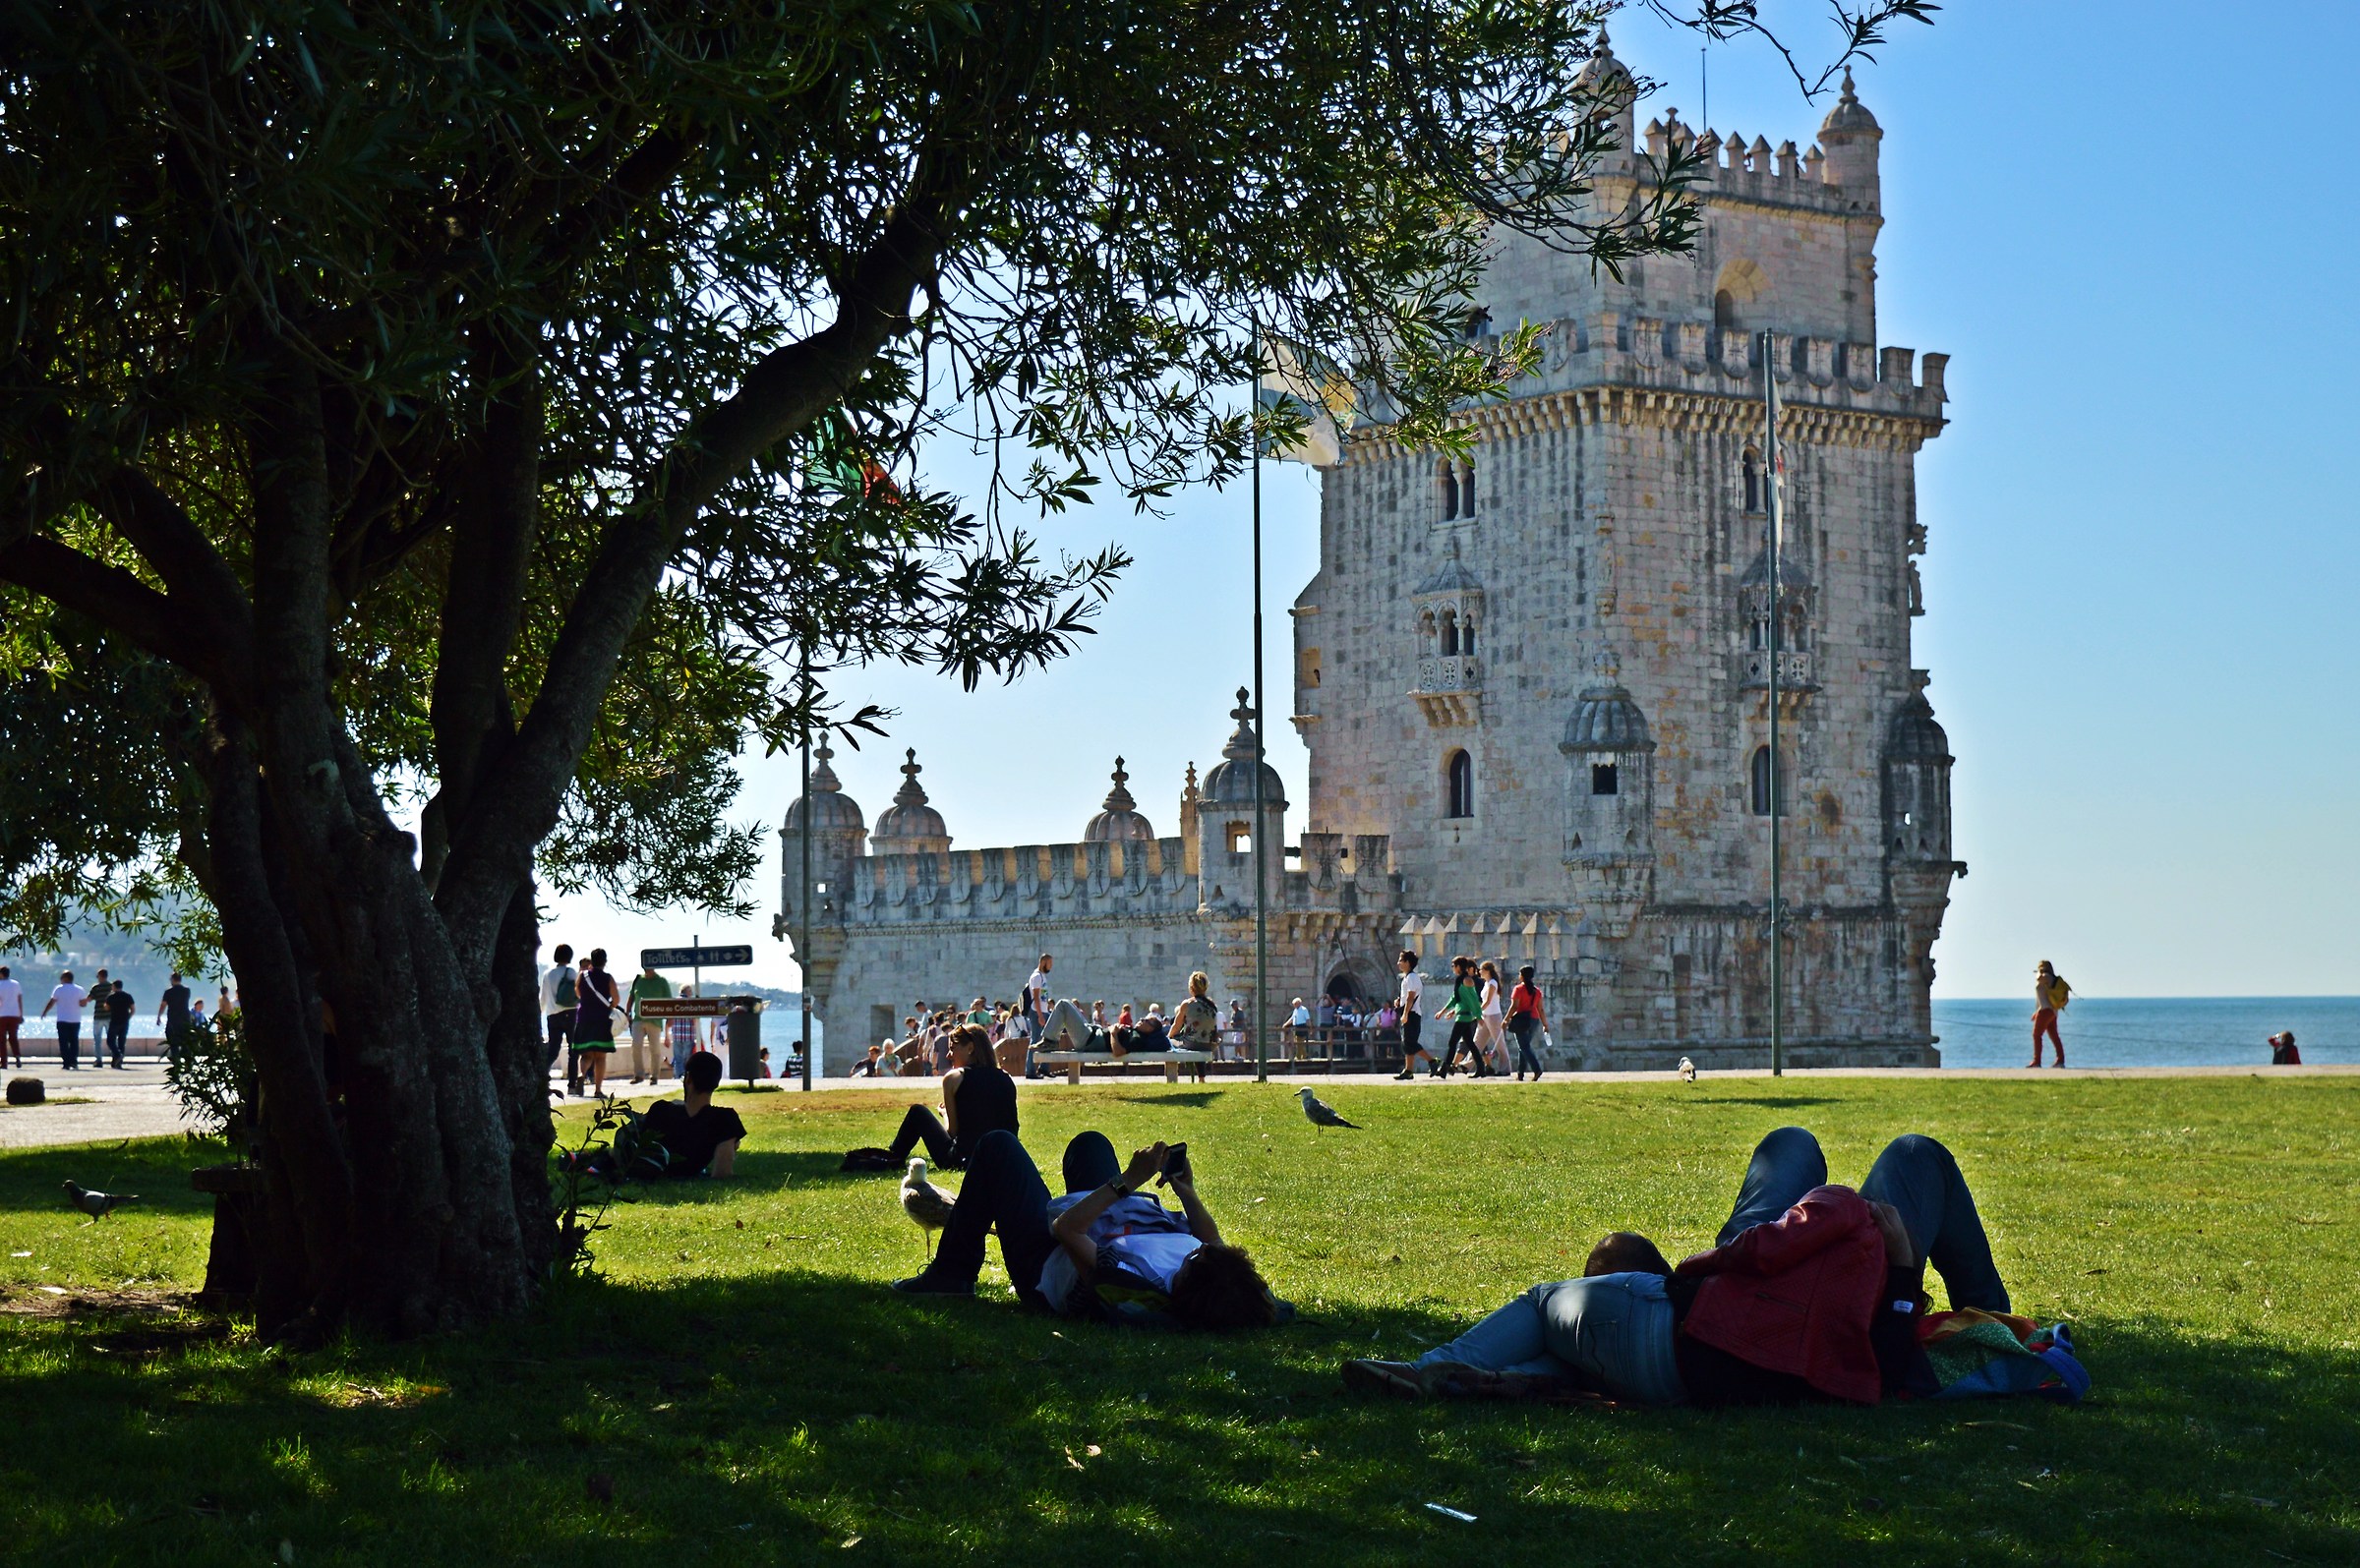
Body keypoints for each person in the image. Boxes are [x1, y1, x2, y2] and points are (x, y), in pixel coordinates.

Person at [1347, 1127, 2015, 1408]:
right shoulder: (1846, 1215)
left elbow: (1758, 1252)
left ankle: (1442, 1370)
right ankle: (1997, 1317)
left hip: (1724, 1331)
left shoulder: (1628, 1346)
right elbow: (1887, 1369)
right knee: (1900, 1152)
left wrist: (1707, 1269)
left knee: (1794, 1150)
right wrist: (1898, 1269)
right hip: (1794, 1308)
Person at [892, 1131, 1280, 1332]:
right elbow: (1211, 1241)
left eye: (1195, 1258)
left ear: (1186, 1285)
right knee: (1090, 1144)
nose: (1200, 1249)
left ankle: (952, 1274)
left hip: (1049, 1259)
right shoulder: (1215, 1272)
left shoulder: (1134, 1283)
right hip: (1119, 1222)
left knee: (998, 1146)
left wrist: (1128, 1180)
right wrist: (1187, 1192)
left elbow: (1067, 1229)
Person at [569, 1049, 746, 1180]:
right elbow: (722, 1173)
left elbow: (638, 1151)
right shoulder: (724, 1119)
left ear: (688, 1079)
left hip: (648, 1169)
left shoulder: (662, 1110)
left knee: (625, 1139)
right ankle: (588, 1159)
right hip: (684, 1170)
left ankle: (586, 1160)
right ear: (715, 1083)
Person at [884, 1023, 1019, 1169]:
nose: (948, 1055)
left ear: (970, 1048)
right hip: (1003, 1158)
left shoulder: (954, 1078)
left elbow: (952, 1132)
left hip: (963, 1159)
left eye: (952, 1049)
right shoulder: (1005, 1077)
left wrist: (945, 1114)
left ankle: (892, 1157)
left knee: (917, 1112)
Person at [573, 949, 621, 1095]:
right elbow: (616, 999)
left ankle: (582, 1075)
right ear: (605, 961)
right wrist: (609, 1006)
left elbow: (578, 993)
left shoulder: (582, 976)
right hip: (602, 1019)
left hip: (584, 1018)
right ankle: (598, 1090)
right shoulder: (608, 978)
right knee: (600, 1057)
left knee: (586, 1055)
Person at [1432, 957, 1487, 1078]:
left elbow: (1473, 1000)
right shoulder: (1460, 980)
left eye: (1453, 966)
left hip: (1465, 1017)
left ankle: (1444, 1070)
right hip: (1462, 1015)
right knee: (1470, 1043)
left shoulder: (1467, 980)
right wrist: (1444, 1011)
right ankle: (1481, 1068)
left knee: (1452, 1042)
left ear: (1458, 967)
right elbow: (1455, 998)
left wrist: (1478, 1016)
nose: (1452, 968)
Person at [540, 943, 577, 1091]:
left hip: (552, 1015)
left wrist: (541, 1012)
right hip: (571, 1013)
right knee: (573, 1050)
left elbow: (543, 997)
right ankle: (572, 1085)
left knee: (553, 1049)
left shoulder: (547, 974)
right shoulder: (571, 972)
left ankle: (542, 1076)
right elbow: (577, 993)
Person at [626, 962, 672, 1085]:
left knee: (655, 1049)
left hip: (655, 1020)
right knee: (636, 1045)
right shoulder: (638, 980)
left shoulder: (661, 981)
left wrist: (669, 1018)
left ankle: (654, 1076)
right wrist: (627, 1013)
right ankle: (639, 1075)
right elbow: (631, 997)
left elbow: (669, 1001)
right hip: (638, 1019)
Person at [1392, 950, 1433, 1079]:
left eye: (1401, 960)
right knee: (1407, 1043)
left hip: (1412, 1014)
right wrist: (1399, 1002)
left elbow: (1411, 997)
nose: (1398, 963)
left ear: (1407, 962)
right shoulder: (1407, 978)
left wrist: (1405, 1014)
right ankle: (1408, 1070)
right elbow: (1406, 997)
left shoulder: (1412, 978)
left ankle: (1432, 1061)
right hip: (1410, 1012)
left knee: (1410, 1043)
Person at [40, 970, 88, 1070]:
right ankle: (74, 1061)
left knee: (63, 1042)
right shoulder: (80, 989)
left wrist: (45, 1012)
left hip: (62, 1019)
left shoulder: (59, 989)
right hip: (75, 1019)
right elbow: (83, 1004)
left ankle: (66, 1062)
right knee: (74, 1041)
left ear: (65, 978)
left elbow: (52, 1002)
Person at [1508, 964, 1548, 1081]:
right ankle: (1520, 1073)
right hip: (1534, 1020)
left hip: (1521, 1020)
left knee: (1524, 1047)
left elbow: (1514, 1006)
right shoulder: (1537, 991)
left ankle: (1536, 1069)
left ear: (1522, 976)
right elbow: (1540, 1009)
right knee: (1524, 1046)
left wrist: (1506, 1019)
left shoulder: (1518, 989)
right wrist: (1545, 1024)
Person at [2030, 960, 2071, 1068]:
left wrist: (2038, 972)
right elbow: (2043, 998)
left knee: (2036, 1035)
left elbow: (2039, 978)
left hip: (2045, 1011)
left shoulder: (2046, 977)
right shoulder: (2050, 978)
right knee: (2054, 1036)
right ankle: (2060, 1060)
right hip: (2052, 1012)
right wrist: (2036, 1011)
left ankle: (2037, 1061)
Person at [1023, 953, 1054, 1077]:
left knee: (1049, 1039)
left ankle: (1044, 1068)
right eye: (1050, 963)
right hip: (1037, 1011)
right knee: (1035, 1039)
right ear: (1043, 962)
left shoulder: (1043, 976)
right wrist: (1040, 1015)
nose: (1051, 966)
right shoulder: (1036, 976)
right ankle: (1030, 1071)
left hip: (1044, 1011)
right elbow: (1036, 997)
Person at [1476, 960, 1507, 1075]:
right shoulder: (1486, 983)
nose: (1479, 972)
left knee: (1500, 1044)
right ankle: (1466, 1065)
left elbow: (1488, 1001)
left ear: (1487, 971)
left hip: (1493, 1015)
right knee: (1478, 1041)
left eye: (1481, 970)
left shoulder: (1492, 983)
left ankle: (1505, 1069)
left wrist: (1477, 1011)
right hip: (1485, 1015)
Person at [156, 970, 193, 1067]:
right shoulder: (186, 990)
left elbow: (163, 1005)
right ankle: (188, 1062)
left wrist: (159, 1016)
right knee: (186, 1041)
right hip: (185, 1019)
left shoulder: (168, 992)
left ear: (172, 979)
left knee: (173, 1042)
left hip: (173, 1019)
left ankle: (176, 1063)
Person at [103, 978, 136, 1068]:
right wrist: (128, 1017)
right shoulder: (128, 996)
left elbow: (106, 1008)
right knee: (121, 1042)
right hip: (124, 1021)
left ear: (114, 986)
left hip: (114, 1021)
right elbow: (133, 1009)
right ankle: (118, 1062)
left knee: (110, 1041)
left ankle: (117, 1055)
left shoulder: (111, 997)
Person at [0, 965, 23, 1071]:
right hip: (14, 1014)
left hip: (2, 1015)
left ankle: (4, 1062)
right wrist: (20, 1014)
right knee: (13, 1037)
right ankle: (17, 1056)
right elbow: (19, 1000)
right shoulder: (16, 984)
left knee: (2, 1040)